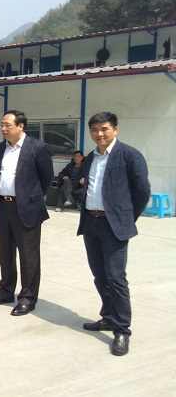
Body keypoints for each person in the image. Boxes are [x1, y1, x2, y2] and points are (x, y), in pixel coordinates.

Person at [77, 112, 150, 356]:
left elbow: (142, 192)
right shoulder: (90, 157)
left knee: (116, 277)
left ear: (115, 129)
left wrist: (125, 218)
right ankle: (108, 317)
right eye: (94, 129)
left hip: (113, 225)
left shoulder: (129, 155)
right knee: (99, 275)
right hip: (91, 222)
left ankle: (122, 330)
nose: (99, 133)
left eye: (104, 129)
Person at [0, 110, 54, 316]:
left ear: (21, 126)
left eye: (7, 125)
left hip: (26, 209)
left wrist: (30, 198)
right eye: (1, 125)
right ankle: (6, 291)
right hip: (3, 207)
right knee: (5, 253)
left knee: (28, 256)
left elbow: (46, 178)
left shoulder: (38, 148)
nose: (3, 129)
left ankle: (27, 298)